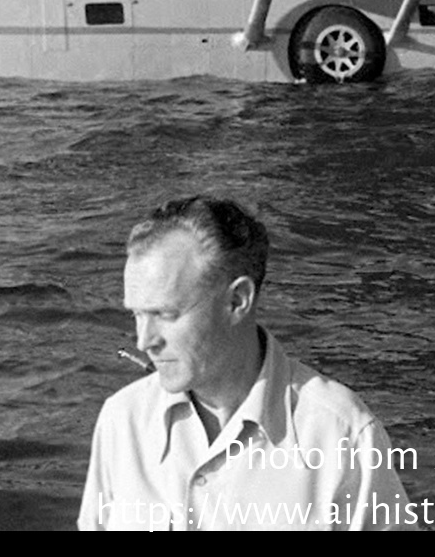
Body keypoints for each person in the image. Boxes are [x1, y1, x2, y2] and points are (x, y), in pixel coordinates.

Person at [78, 196, 411, 531]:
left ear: (237, 301)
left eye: (165, 314)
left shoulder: (342, 433)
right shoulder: (121, 423)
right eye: (137, 314)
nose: (144, 340)